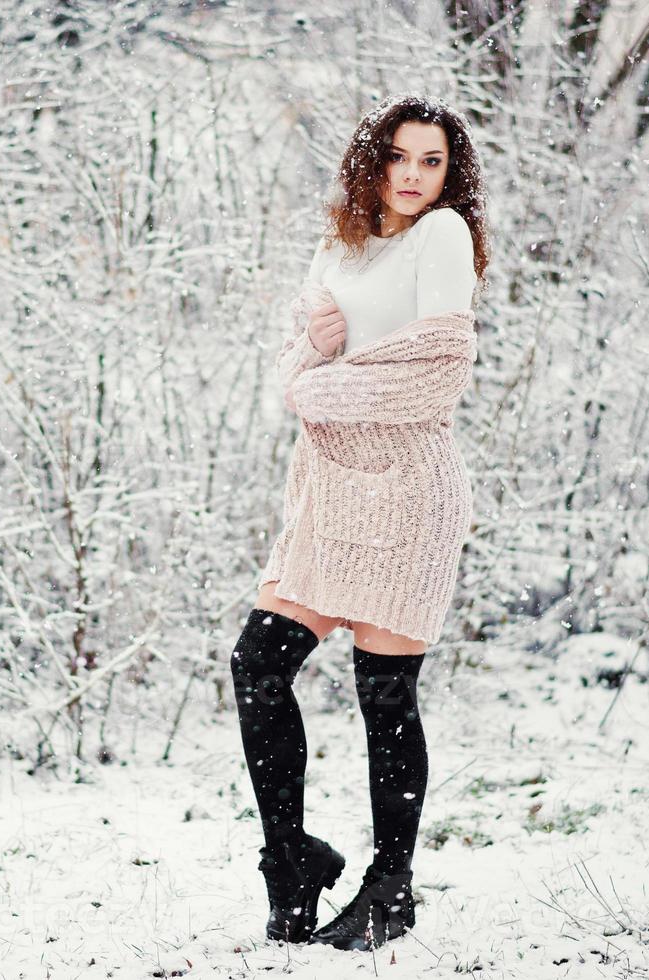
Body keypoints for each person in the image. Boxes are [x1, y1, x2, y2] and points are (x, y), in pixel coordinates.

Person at [229, 93, 491, 951]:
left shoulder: (441, 238)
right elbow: (294, 369)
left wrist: (319, 387)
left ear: (450, 177)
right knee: (257, 663)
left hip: (409, 490)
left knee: (383, 697)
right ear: (370, 160)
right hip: (332, 491)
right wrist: (313, 367)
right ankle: (290, 859)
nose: (414, 176)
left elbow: (437, 372)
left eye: (432, 162)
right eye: (400, 157)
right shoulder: (338, 241)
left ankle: (390, 887)